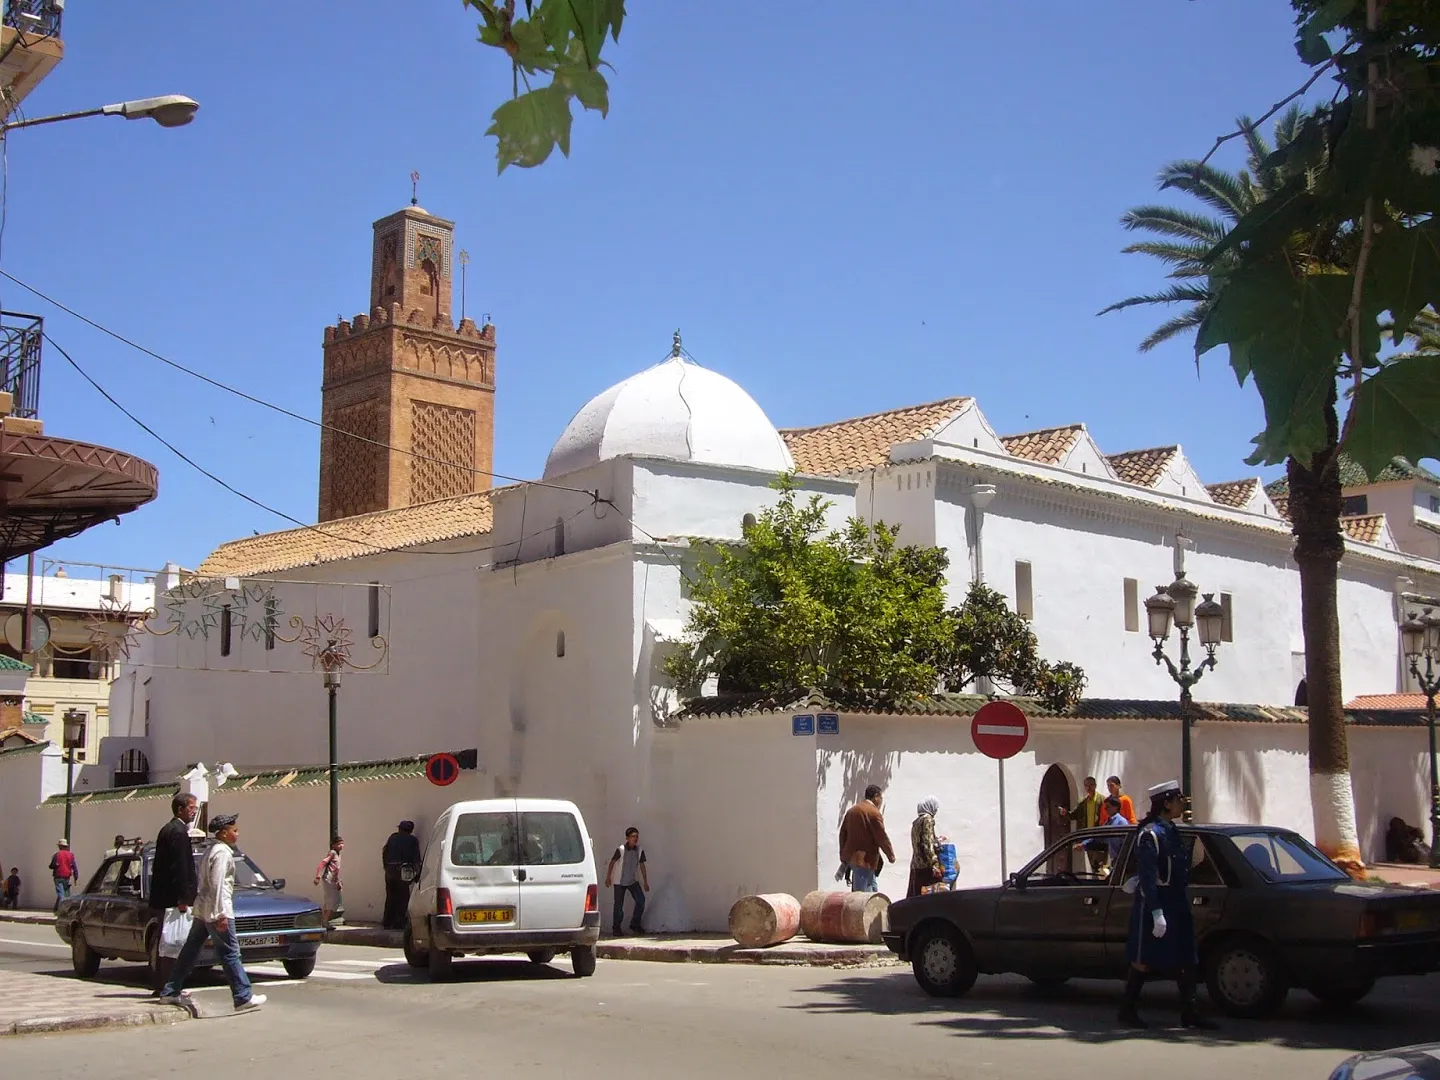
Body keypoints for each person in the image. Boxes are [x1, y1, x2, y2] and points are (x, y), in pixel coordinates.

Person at [1117, 781, 1214, 1031]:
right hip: (1155, 901)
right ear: (1167, 803)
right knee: (1143, 958)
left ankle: (1190, 1012)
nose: (1183, 803)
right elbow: (1148, 876)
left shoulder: (1170, 830)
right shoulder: (1150, 834)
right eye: (1178, 799)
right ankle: (1127, 1009)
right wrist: (1157, 912)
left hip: (1176, 899)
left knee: (1186, 955)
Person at [158, 814, 266, 1012]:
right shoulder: (222, 853)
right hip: (217, 910)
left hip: (203, 910)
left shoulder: (211, 851)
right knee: (230, 953)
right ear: (224, 833)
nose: (238, 834)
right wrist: (221, 915)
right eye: (235, 830)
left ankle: (170, 991)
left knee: (190, 951)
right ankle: (243, 995)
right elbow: (216, 885)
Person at [839, 784, 896, 894]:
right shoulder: (873, 813)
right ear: (876, 796)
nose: (881, 801)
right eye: (881, 798)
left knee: (872, 893)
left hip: (854, 860)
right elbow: (881, 837)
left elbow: (843, 833)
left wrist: (844, 855)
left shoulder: (852, 811)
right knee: (864, 899)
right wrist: (890, 855)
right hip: (865, 861)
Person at [150, 793, 200, 915]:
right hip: (173, 900)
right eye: (191, 808)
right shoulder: (178, 832)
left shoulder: (170, 828)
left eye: (196, 808)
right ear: (180, 810)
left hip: (165, 897)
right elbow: (180, 866)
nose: (194, 812)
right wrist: (183, 898)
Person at [604, 827, 649, 935]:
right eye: (633, 836)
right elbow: (612, 862)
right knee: (618, 906)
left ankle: (635, 924)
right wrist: (608, 877)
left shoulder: (639, 850)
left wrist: (645, 882)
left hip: (632, 880)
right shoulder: (621, 849)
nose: (635, 839)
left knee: (641, 900)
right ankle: (616, 928)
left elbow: (642, 866)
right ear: (627, 838)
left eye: (636, 836)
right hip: (619, 881)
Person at [381, 820, 422, 931]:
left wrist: (386, 866)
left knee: (390, 896)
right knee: (403, 897)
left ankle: (387, 921)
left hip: (390, 870)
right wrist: (417, 873)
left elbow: (384, 852)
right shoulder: (413, 840)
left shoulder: (392, 838)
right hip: (404, 870)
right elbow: (416, 858)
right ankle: (399, 922)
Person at [1062, 776, 1108, 873]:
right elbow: (1073, 815)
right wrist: (1065, 813)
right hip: (1087, 837)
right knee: (1093, 866)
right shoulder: (1083, 802)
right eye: (1086, 785)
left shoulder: (1102, 800)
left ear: (1095, 786)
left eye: (1090, 785)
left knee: (1102, 865)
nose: (1088, 788)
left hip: (1099, 837)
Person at [908, 797, 942, 899]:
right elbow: (928, 843)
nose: (935, 811)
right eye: (935, 808)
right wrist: (935, 863)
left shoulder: (916, 822)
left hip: (916, 865)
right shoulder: (927, 819)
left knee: (916, 897)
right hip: (926, 865)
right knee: (929, 897)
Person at [314, 836, 343, 929]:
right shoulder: (332, 853)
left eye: (342, 843)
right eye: (338, 844)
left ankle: (323, 920)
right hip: (328, 880)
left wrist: (338, 881)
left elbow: (336, 870)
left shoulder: (338, 855)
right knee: (330, 902)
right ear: (333, 845)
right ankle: (325, 922)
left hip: (333, 880)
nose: (341, 845)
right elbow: (322, 863)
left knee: (330, 902)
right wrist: (318, 876)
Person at [1102, 795, 1132, 866]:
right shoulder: (1109, 822)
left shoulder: (1121, 822)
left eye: (1108, 807)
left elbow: (1125, 844)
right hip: (1114, 860)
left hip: (1120, 861)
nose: (1106, 809)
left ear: (1116, 807)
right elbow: (1099, 835)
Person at [49, 839, 77, 911]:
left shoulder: (56, 855)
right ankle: (56, 909)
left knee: (61, 893)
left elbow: (52, 865)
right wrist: (76, 877)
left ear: (60, 846)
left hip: (58, 876)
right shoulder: (71, 855)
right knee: (64, 892)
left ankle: (61, 910)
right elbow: (74, 867)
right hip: (67, 876)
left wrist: (54, 866)